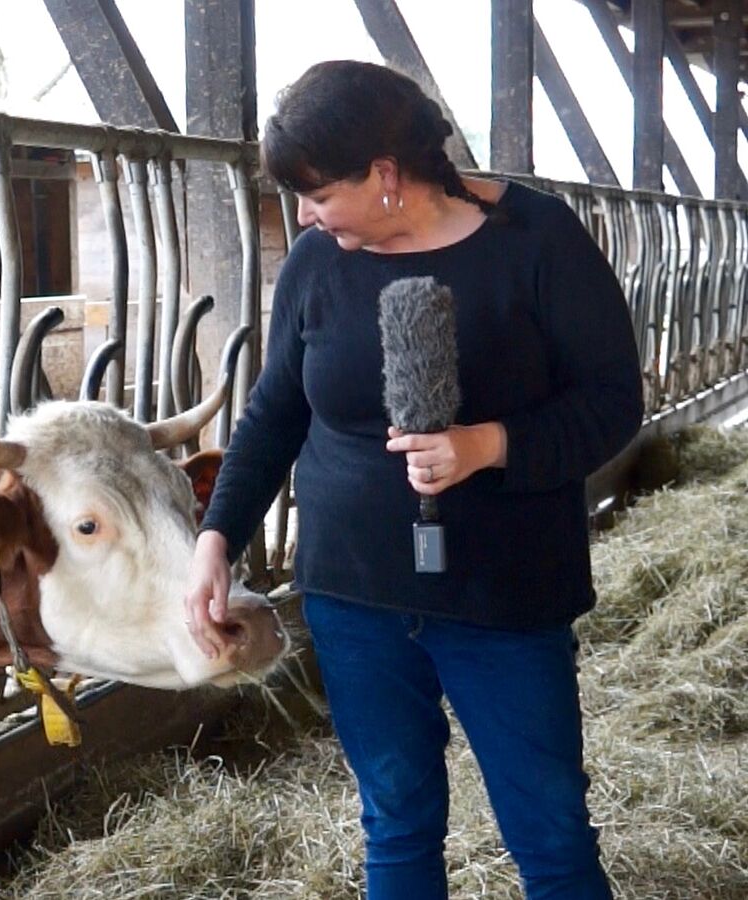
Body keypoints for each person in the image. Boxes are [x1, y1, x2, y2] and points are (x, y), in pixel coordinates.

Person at [184, 60, 643, 900]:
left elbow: (614, 403)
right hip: (354, 594)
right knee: (394, 816)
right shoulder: (319, 263)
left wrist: (490, 444)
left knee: (548, 824)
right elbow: (275, 411)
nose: (304, 215)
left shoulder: (538, 240)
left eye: (317, 192)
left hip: (506, 594)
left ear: (386, 174)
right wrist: (217, 537)